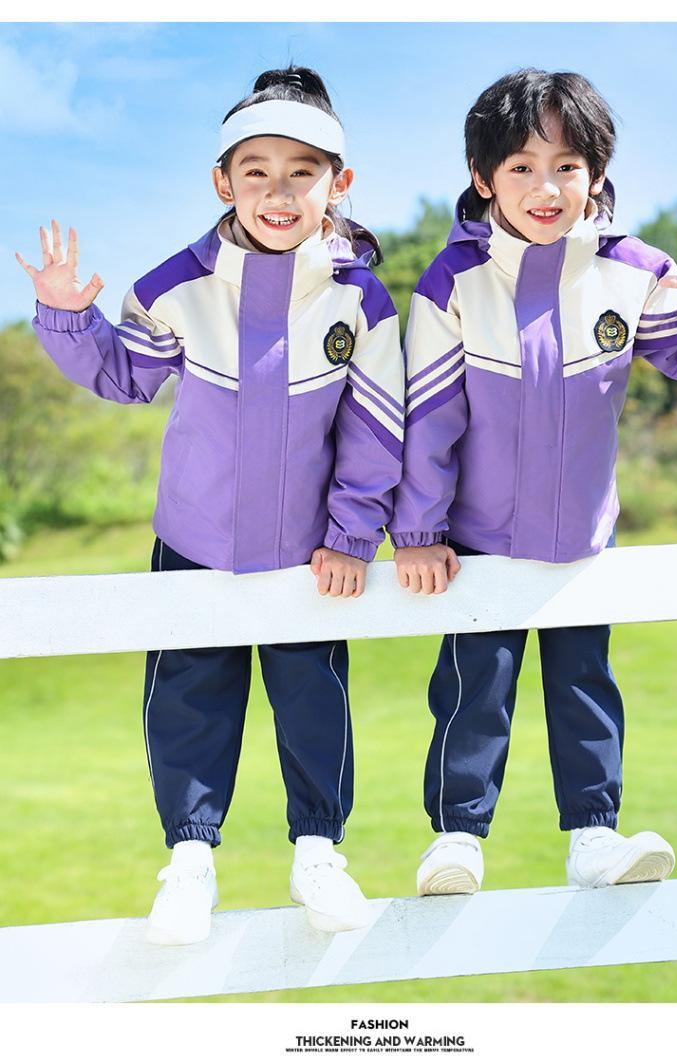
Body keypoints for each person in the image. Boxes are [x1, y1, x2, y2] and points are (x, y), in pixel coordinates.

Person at [17, 66, 404, 943]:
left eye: (302, 172)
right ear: (223, 183)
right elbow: (125, 376)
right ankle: (190, 866)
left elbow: (377, 428)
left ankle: (319, 856)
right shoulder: (175, 286)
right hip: (192, 542)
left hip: (312, 556)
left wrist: (353, 536)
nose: (278, 193)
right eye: (256, 172)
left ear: (338, 183)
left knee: (314, 707)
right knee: (189, 706)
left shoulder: (360, 299)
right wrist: (67, 317)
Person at [388, 68, 677, 896]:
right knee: (473, 691)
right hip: (477, 542)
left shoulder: (634, 269)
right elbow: (429, 417)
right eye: (521, 166)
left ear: (597, 173)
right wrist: (418, 532)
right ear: (483, 177)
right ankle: (455, 840)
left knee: (585, 687)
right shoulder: (453, 280)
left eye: (567, 166)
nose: (545, 188)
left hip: (585, 540)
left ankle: (594, 838)